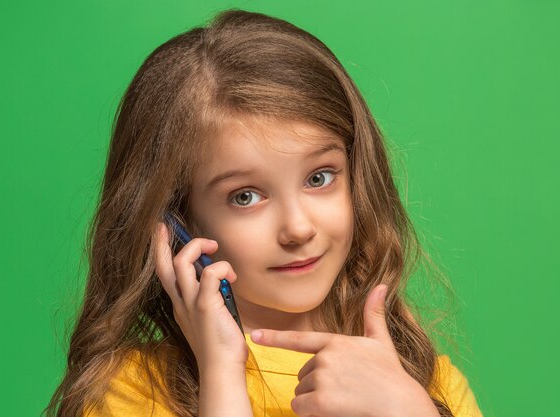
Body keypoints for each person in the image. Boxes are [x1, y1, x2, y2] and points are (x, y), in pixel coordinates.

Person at [45, 8, 483, 417]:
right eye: (245, 197)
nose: (297, 228)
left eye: (319, 178)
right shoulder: (133, 390)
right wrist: (221, 374)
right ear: (178, 223)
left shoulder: (430, 385)